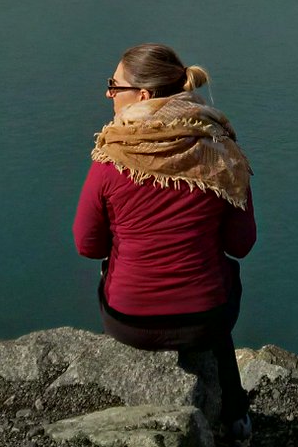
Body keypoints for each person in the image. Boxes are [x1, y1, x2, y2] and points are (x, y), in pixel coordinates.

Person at [73, 42, 256, 444]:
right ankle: (236, 415)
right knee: (223, 277)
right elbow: (240, 245)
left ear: (142, 95)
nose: (108, 94)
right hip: (207, 320)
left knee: (116, 269)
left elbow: (88, 245)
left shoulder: (111, 157)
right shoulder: (222, 150)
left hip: (128, 321)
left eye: (113, 85)